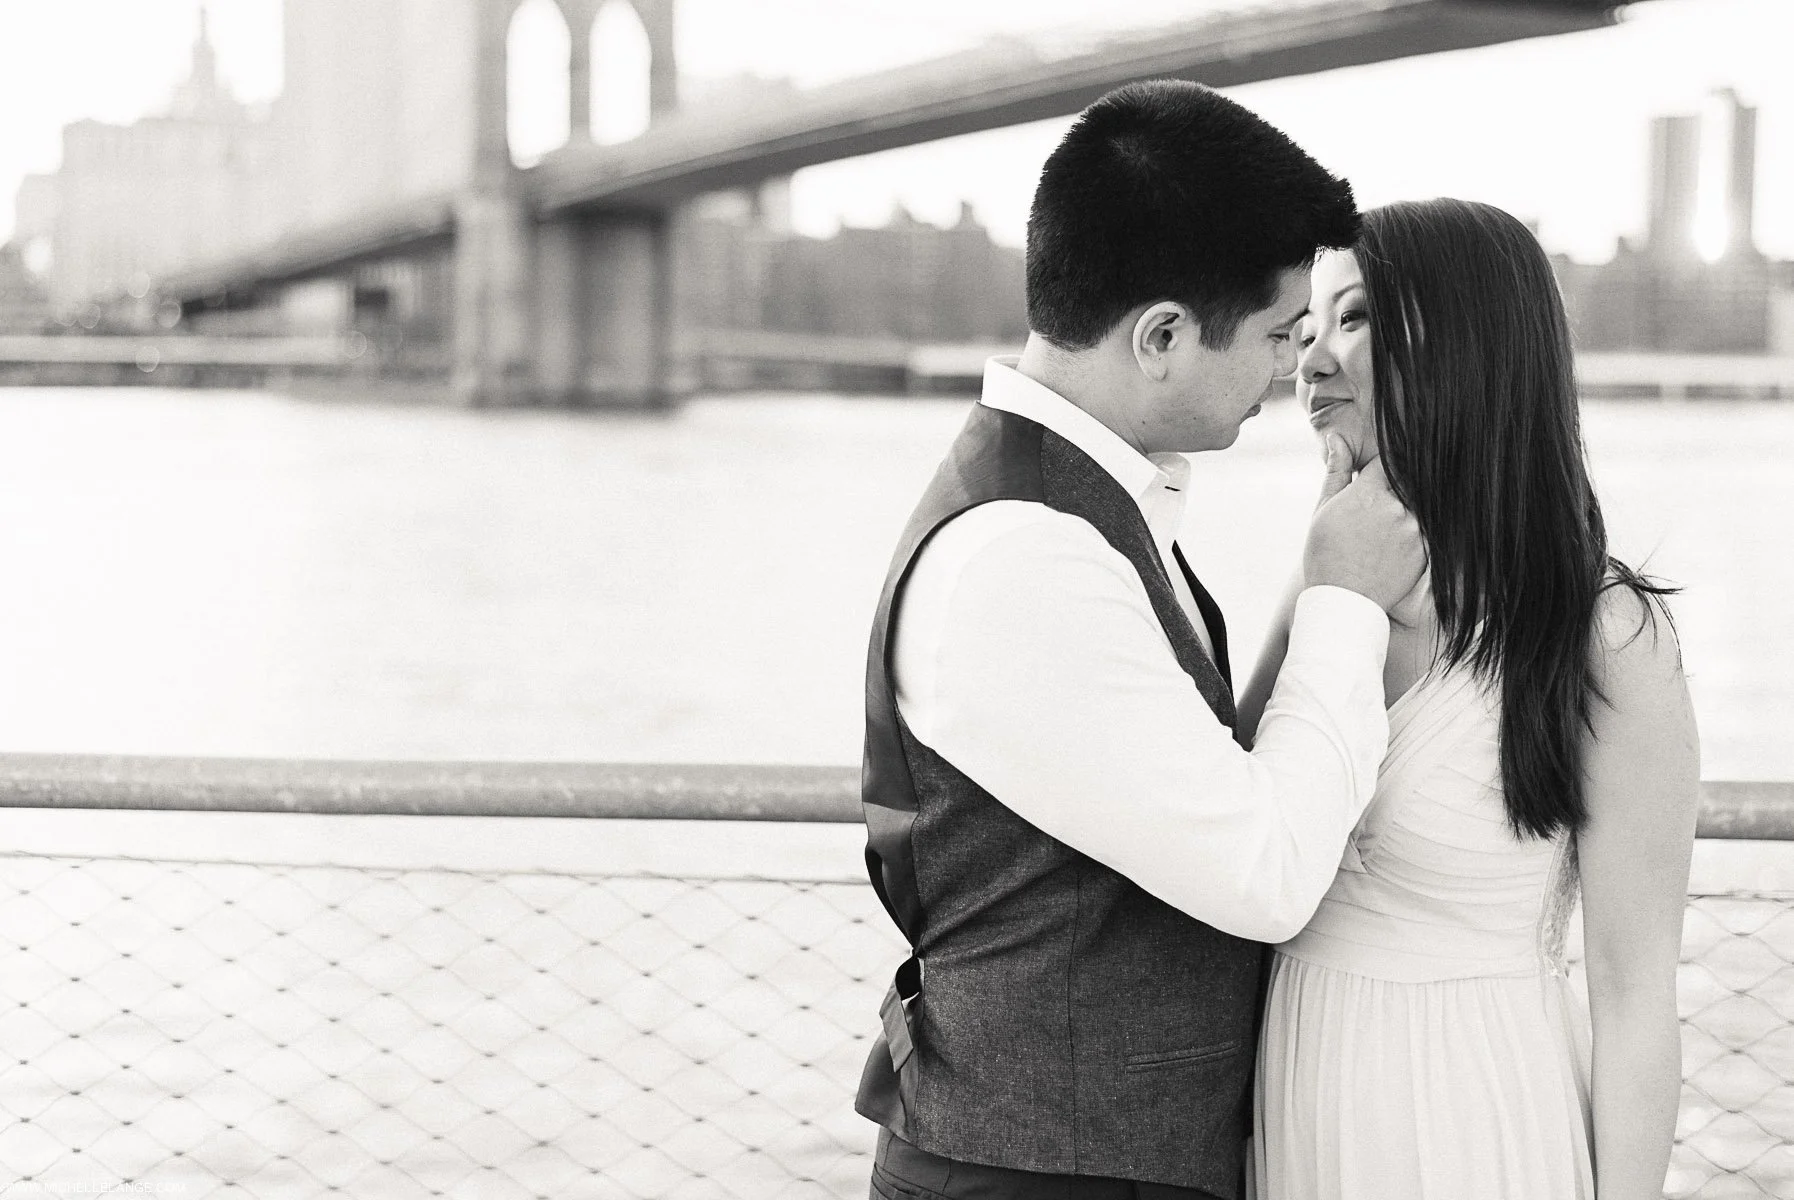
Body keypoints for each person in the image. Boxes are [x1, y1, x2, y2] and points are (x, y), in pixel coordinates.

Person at [855, 80, 1426, 1200]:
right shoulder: (1022, 554)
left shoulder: (1083, 509)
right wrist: (1346, 600)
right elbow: (1265, 874)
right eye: (1275, 333)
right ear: (1162, 334)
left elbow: (1211, 777)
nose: (1289, 370)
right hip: (1038, 1175)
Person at [1243, 198, 1701, 1200]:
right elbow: (1238, 839)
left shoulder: (1603, 635)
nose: (1309, 360)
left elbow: (1633, 998)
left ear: (1468, 343)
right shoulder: (1329, 593)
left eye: (1355, 318)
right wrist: (1320, 578)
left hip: (1477, 1122)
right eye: (1309, 326)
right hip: (1295, 1115)